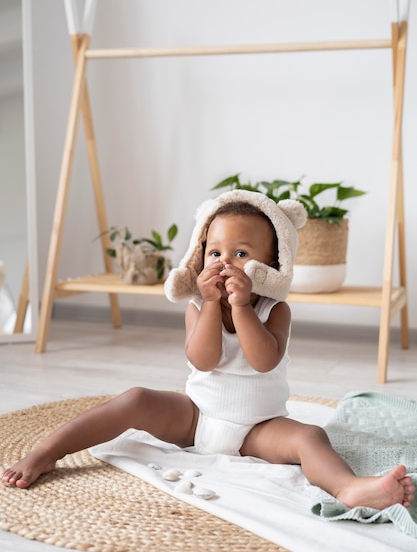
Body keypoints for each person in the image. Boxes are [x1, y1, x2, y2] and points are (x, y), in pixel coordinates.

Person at [2, 190, 414, 512]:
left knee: (309, 436)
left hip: (258, 428)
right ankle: (48, 451)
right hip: (195, 418)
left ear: (270, 265)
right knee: (135, 400)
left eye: (241, 254)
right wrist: (214, 305)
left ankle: (349, 488)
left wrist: (240, 306)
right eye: (215, 253)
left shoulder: (276, 309)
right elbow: (203, 359)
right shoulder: (198, 307)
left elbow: (263, 359)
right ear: (200, 257)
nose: (224, 263)